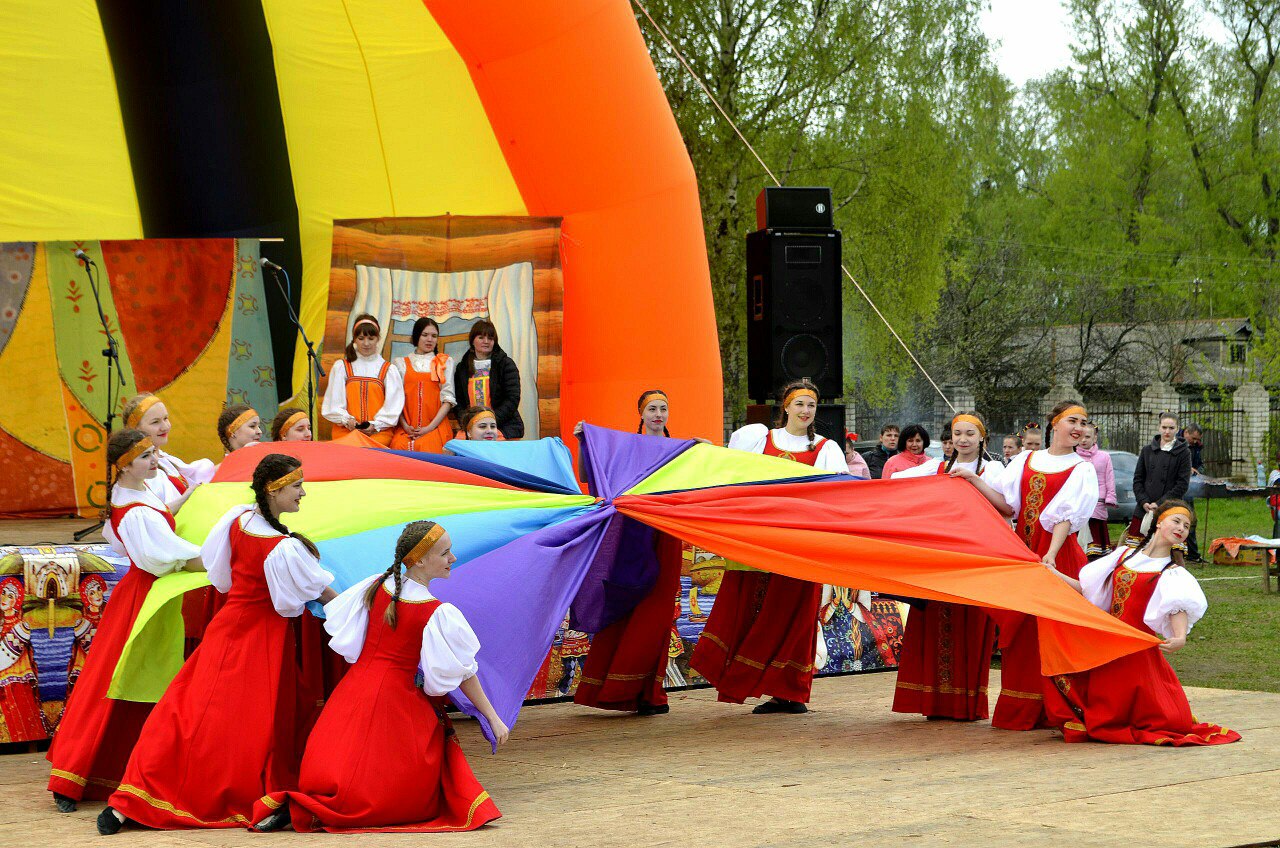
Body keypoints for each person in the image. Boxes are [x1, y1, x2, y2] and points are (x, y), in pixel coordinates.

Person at [100, 454, 337, 834]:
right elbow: (308, 596)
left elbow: (220, 576)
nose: (302, 493)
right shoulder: (281, 546)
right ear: (274, 490)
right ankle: (237, 795)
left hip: (227, 628)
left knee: (184, 711)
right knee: (247, 723)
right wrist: (360, 608)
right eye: (297, 486)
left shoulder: (237, 520)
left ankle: (135, 797)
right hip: (261, 640)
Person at [252, 521, 505, 833]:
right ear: (420, 560)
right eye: (445, 553)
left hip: (354, 690)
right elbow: (464, 673)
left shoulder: (377, 585)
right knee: (392, 788)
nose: (453, 558)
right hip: (395, 701)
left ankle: (308, 806)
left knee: (349, 763)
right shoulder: (436, 611)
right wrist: (492, 717)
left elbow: (346, 621)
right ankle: (314, 809)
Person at [46, 429, 202, 813]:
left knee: (137, 679)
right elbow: (165, 555)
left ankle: (126, 769)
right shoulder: (135, 510)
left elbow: (155, 523)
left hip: (145, 595)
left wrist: (187, 498)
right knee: (113, 681)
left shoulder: (135, 493)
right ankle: (73, 774)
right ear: (125, 466)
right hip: (142, 598)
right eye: (145, 457)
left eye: (152, 453)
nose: (154, 460)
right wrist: (223, 554)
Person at [689, 379, 848, 714]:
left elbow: (839, 494)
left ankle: (790, 691)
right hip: (758, 543)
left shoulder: (826, 449)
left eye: (811, 405)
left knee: (794, 617)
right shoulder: (759, 439)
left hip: (798, 545)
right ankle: (749, 680)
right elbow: (732, 471)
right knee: (752, 609)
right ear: (786, 406)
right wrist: (708, 452)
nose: (806, 411)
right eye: (800, 404)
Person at [1043, 500, 1240, 746]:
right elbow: (1088, 590)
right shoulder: (1123, 555)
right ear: (1159, 522)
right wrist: (1054, 574)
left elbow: (1177, 606)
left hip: (1136, 648)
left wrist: (1180, 637)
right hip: (1108, 642)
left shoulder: (1172, 572)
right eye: (1176, 521)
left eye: (1186, 526)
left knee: (1162, 718)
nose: (1181, 528)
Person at [573, 390, 689, 716]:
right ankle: (619, 689)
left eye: (663, 408)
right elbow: (588, 476)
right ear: (641, 413)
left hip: (666, 535)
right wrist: (584, 442)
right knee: (628, 606)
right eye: (652, 408)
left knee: (658, 613)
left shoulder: (681, 450)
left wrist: (703, 451)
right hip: (631, 534)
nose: (658, 414)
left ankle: (651, 693)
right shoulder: (625, 448)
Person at [890, 412, 1010, 721]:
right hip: (942, 557)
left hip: (978, 558)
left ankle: (965, 705)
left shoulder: (993, 469)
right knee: (936, 626)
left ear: (982, 437)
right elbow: (894, 482)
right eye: (958, 433)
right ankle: (936, 703)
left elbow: (1007, 507)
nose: (963, 439)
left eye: (970, 433)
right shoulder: (936, 467)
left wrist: (974, 480)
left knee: (971, 626)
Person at [991, 402, 1098, 731]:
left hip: (1057, 556)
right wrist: (970, 480)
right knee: (1022, 632)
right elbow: (1007, 505)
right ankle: (1023, 708)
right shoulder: (1025, 460)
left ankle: (1060, 708)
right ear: (1055, 424)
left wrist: (1050, 554)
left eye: (1083, 423)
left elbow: (1066, 515)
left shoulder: (1081, 469)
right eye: (1072, 421)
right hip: (1024, 553)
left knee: (1055, 632)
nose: (1078, 428)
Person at [121, 393, 214, 512]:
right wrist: (186, 498)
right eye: (155, 422)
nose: (165, 427)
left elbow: (194, 473)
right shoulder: (141, 470)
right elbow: (152, 515)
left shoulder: (163, 457)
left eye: (165, 418)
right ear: (135, 429)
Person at [322, 314, 405, 446]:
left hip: (378, 434)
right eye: (361, 338)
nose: (366, 343)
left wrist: (375, 425)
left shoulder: (388, 370)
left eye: (371, 338)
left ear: (378, 339)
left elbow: (393, 406)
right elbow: (333, 403)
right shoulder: (342, 367)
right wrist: (347, 420)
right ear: (354, 339)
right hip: (346, 433)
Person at [391, 317, 456, 453]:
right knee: (398, 448)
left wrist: (429, 428)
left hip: (435, 428)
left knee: (430, 449)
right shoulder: (400, 363)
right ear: (416, 336)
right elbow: (396, 401)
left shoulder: (444, 363)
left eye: (434, 336)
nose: (429, 339)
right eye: (425, 335)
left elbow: (448, 400)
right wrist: (405, 426)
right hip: (406, 429)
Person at [1126, 413, 1191, 546]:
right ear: (1159, 427)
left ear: (1177, 429)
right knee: (1135, 549)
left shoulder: (1184, 453)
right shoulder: (1147, 450)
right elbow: (1138, 479)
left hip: (1170, 508)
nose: (1167, 431)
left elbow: (1182, 485)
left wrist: (1160, 504)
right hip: (1144, 509)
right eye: (1164, 427)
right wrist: (1144, 501)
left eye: (1171, 428)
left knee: (1167, 550)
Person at [453, 320, 523, 440]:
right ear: (472, 341)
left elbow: (512, 398)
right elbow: (458, 401)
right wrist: (468, 422)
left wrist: (491, 421)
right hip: (473, 426)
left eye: (490, 338)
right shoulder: (462, 368)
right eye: (481, 337)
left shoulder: (505, 364)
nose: (486, 341)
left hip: (503, 426)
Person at [0, 577, 45, 743]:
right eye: (3, 593)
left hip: (16, 681)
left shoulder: (21, 627)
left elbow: (7, 656)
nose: (4, 598)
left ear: (16, 601)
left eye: (10, 596)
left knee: (20, 716)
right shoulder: (2, 625)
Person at [1077, 422, 1117, 559]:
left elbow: (1109, 478)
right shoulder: (1073, 456)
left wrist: (1110, 498)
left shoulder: (1104, 456)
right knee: (1080, 548)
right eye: (1081, 436)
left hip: (1098, 505)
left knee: (1097, 549)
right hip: (1079, 506)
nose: (1083, 440)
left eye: (1087, 437)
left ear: (1094, 438)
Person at [1181, 422, 1204, 561]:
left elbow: (1200, 465)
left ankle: (1192, 554)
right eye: (1193, 438)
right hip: (1176, 489)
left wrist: (1198, 471)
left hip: (1189, 488)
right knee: (1181, 519)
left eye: (1197, 439)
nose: (1195, 442)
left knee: (1191, 520)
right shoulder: (1176, 444)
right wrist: (1187, 468)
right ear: (1186, 433)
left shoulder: (1196, 447)